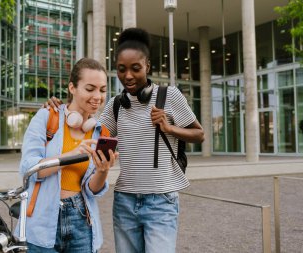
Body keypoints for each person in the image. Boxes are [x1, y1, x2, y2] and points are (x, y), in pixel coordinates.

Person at [46, 28, 204, 253]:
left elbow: (199, 134)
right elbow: (89, 132)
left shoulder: (170, 96)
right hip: (125, 201)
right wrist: (58, 109)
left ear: (147, 67)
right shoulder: (116, 105)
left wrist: (169, 127)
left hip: (161, 202)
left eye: (135, 68)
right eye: (122, 69)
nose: (128, 75)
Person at [18, 57, 118, 253]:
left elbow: (91, 190)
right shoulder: (48, 117)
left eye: (102, 90)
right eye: (90, 89)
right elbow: (28, 169)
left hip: (81, 220)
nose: (97, 96)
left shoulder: (100, 132)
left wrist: (102, 171)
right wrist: (70, 156)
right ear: (72, 88)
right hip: (41, 220)